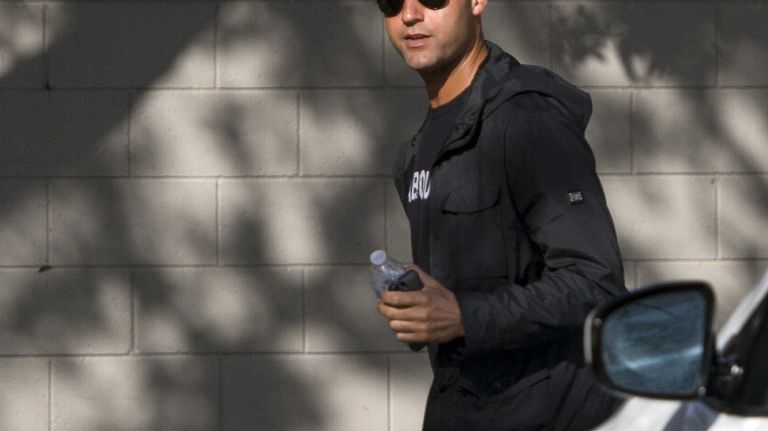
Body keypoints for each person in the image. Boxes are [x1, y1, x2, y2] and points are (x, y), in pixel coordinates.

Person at [374, 0, 628, 429]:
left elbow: (595, 280)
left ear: (477, 2)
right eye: (391, 2)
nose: (410, 15)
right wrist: (423, 309)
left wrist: (463, 314)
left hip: (545, 414)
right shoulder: (415, 153)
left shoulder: (527, 119)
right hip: (464, 409)